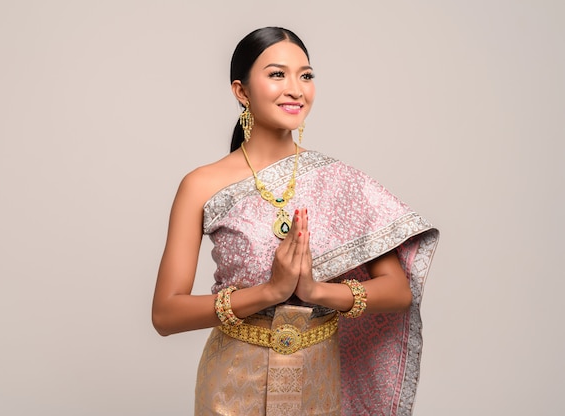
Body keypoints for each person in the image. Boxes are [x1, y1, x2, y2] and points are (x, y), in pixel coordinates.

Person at [152, 27, 439, 416]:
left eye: (305, 75)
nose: (296, 89)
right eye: (276, 74)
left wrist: (317, 291)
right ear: (241, 91)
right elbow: (166, 314)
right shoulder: (200, 185)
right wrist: (269, 292)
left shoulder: (340, 180)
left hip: (317, 381)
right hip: (234, 384)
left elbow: (397, 291)